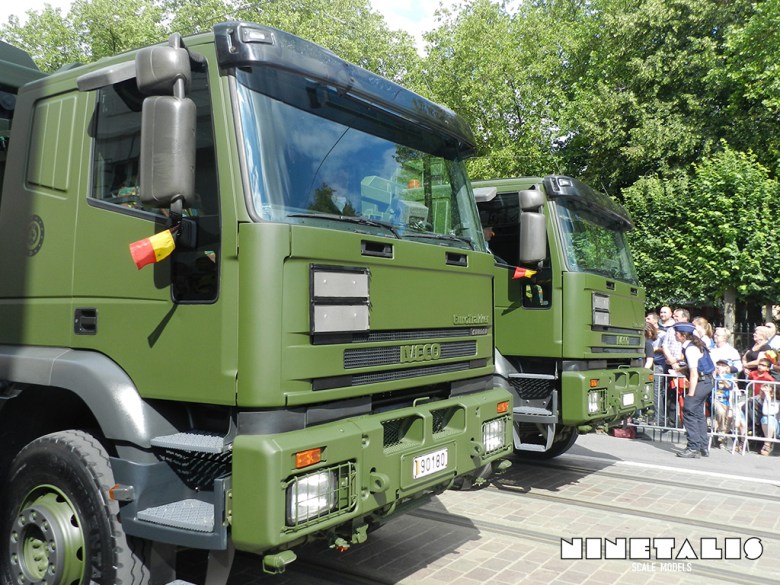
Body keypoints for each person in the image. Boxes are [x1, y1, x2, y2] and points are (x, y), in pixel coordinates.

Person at [673, 322, 715, 458]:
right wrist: (680, 369)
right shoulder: (695, 345)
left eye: (677, 333)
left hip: (701, 382)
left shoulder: (690, 349)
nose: (675, 335)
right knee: (697, 413)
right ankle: (703, 446)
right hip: (707, 381)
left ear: (683, 335)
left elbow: (694, 374)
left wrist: (690, 394)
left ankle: (693, 447)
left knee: (689, 410)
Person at [711, 360, 736, 448]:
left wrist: (721, 376)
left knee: (727, 418)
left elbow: (729, 386)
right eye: (718, 365)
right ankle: (721, 432)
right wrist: (715, 373)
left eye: (722, 365)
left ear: (726, 368)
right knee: (720, 412)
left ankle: (721, 438)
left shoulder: (730, 377)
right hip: (716, 399)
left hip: (726, 400)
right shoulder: (714, 375)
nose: (719, 367)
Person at [757, 382, 779, 456]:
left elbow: (772, 412)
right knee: (765, 418)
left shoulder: (777, 401)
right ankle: (767, 443)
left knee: (770, 419)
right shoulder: (761, 400)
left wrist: (768, 397)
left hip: (777, 427)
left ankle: (767, 444)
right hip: (766, 425)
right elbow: (765, 412)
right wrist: (767, 397)